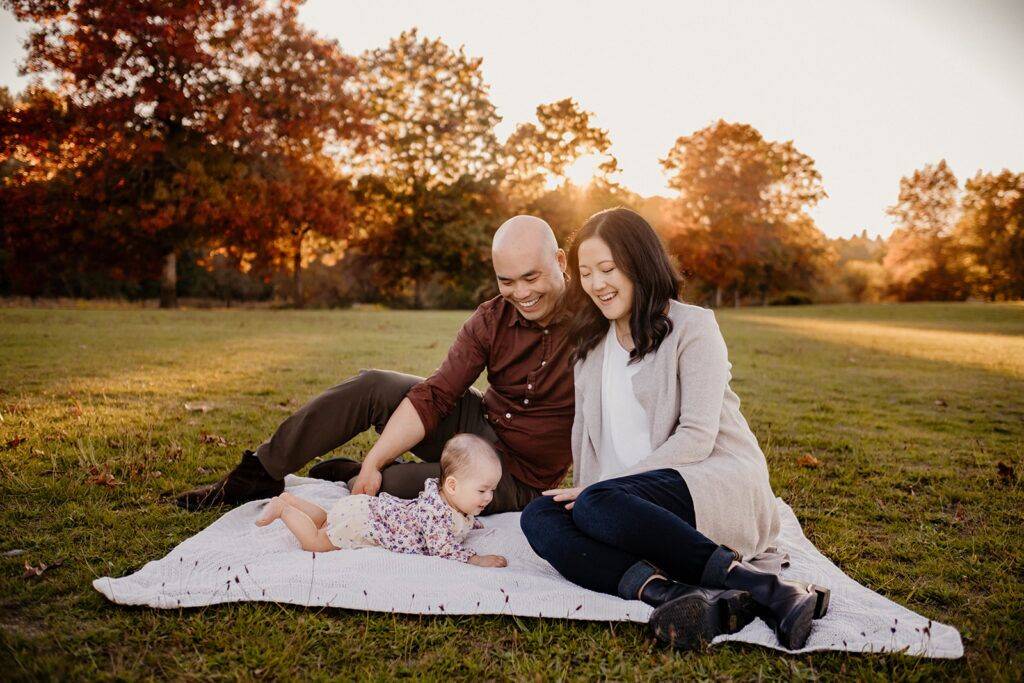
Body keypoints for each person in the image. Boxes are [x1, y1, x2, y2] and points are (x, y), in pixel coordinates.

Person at [520, 207, 829, 651]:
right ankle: (676, 595)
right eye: (586, 273)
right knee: (539, 515)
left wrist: (602, 491)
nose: (597, 284)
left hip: (705, 481)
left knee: (599, 501)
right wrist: (591, 492)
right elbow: (586, 442)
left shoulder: (693, 327)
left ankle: (770, 589)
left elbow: (697, 437)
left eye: (608, 269)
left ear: (640, 264)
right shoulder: (588, 348)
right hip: (620, 505)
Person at [174, 215, 575, 515]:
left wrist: (373, 470)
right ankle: (257, 474)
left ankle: (355, 473)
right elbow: (435, 396)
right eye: (507, 281)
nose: (520, 293)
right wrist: (374, 458)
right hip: (480, 425)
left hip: (520, 475)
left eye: (531, 277)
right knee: (376, 384)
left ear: (559, 260)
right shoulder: (491, 319)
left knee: (394, 486)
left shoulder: (595, 322)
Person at [255, 433, 508, 567]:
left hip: (364, 510)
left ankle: (291, 500)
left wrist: (471, 522)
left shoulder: (454, 503)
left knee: (326, 519)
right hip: (364, 525)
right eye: (483, 491)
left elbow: (459, 518)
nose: (489, 498)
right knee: (316, 541)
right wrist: (475, 559)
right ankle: (283, 510)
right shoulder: (434, 515)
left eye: (492, 490)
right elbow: (443, 550)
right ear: (452, 485)